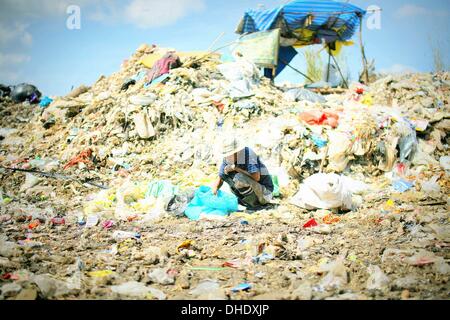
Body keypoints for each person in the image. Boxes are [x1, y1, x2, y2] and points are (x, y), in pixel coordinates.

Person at [212, 136, 273, 209]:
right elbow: (221, 176)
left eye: (230, 154)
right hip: (254, 191)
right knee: (227, 174)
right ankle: (245, 201)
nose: (227, 157)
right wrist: (214, 190)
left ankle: (254, 204)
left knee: (239, 178)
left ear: (238, 152)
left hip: (265, 193)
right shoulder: (227, 158)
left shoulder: (248, 155)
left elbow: (256, 177)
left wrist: (236, 168)